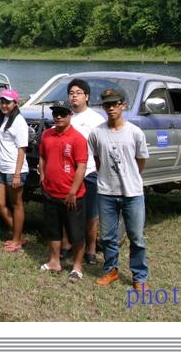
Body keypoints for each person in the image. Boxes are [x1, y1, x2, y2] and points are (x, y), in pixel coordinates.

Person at [89, 88, 150, 292]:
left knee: (136, 237)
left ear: (123, 105)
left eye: (115, 104)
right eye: (107, 104)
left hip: (132, 193)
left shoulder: (135, 132)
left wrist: (129, 176)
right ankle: (111, 270)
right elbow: (97, 160)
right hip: (106, 192)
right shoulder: (96, 133)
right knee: (107, 237)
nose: (111, 108)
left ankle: (140, 276)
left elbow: (140, 161)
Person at [38, 100, 88, 283]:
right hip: (50, 192)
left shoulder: (78, 138)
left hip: (71, 196)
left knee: (76, 233)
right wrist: (43, 177)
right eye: (55, 114)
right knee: (53, 230)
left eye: (63, 113)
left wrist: (73, 191)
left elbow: (81, 166)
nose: (58, 117)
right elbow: (42, 157)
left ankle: (77, 267)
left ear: (70, 115)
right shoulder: (47, 135)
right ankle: (54, 262)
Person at [66, 78, 106, 265]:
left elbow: (102, 148)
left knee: (91, 214)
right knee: (69, 210)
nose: (74, 96)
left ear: (87, 96)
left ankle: (91, 248)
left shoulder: (96, 120)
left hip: (90, 171)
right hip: (68, 173)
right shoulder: (66, 117)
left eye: (78, 93)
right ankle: (68, 244)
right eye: (71, 93)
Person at [0, 88, 29, 252]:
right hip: (2, 168)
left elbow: (22, 149)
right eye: (2, 102)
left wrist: (17, 174)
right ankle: (19, 236)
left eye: (7, 103)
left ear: (15, 103)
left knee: (17, 204)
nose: (4, 105)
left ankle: (16, 240)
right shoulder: (2, 118)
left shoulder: (19, 121)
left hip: (15, 169)